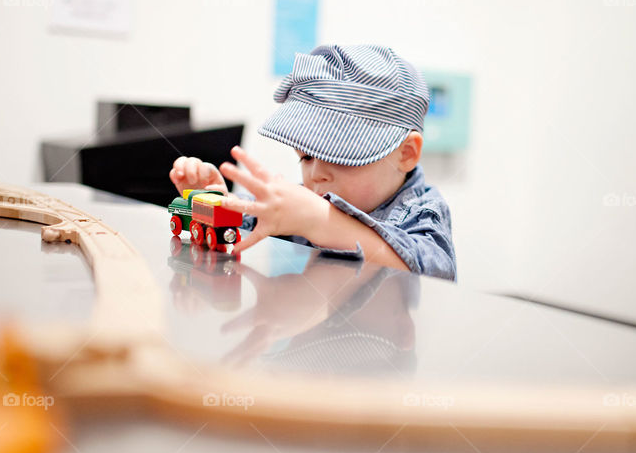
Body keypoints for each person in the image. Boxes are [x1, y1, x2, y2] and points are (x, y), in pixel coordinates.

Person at [169, 44, 457, 281]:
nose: (317, 174)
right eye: (306, 156)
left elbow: (432, 275)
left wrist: (321, 220)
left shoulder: (422, 212)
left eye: (341, 155)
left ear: (405, 154)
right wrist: (221, 203)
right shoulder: (315, 194)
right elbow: (261, 219)